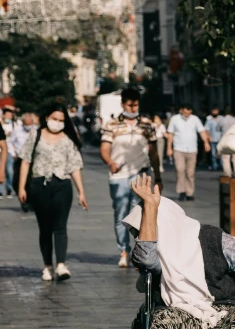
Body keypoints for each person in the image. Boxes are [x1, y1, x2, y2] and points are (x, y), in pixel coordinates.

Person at [124, 174, 235, 329]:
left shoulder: (209, 237)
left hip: (228, 307)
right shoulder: (159, 256)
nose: (139, 239)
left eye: (141, 232)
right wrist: (149, 207)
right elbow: (146, 257)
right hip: (179, 310)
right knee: (162, 327)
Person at [18, 102, 88, 282]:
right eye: (54, 119)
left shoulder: (68, 139)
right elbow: (25, 161)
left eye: (61, 120)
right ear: (47, 118)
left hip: (62, 185)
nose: (57, 123)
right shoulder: (36, 135)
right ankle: (48, 265)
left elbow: (74, 166)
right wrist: (21, 188)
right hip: (39, 185)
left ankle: (61, 265)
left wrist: (81, 192)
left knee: (60, 226)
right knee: (45, 227)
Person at [100, 88, 162, 268]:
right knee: (120, 213)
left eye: (136, 104)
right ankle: (123, 250)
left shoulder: (147, 125)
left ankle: (138, 251)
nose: (133, 108)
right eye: (129, 104)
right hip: (119, 175)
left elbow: (153, 152)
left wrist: (157, 176)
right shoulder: (111, 125)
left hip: (141, 173)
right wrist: (110, 161)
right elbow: (104, 148)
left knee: (140, 213)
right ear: (123, 104)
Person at [166, 103, 211, 201]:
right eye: (185, 112)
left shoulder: (195, 119)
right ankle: (181, 191)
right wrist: (169, 148)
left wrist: (206, 143)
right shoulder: (175, 119)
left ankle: (189, 192)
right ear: (181, 110)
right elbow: (170, 134)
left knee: (190, 172)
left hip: (192, 149)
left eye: (189, 112)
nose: (187, 114)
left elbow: (201, 131)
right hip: (179, 148)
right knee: (180, 169)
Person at [10, 113, 37, 209]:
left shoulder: (36, 131)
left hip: (32, 159)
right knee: (16, 180)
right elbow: (10, 142)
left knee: (31, 181)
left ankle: (30, 201)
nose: (28, 126)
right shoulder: (17, 131)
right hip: (19, 158)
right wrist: (13, 154)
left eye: (30, 124)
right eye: (26, 124)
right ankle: (22, 197)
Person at [0, 106, 16, 198]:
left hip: (9, 151)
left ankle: (9, 188)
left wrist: (1, 171)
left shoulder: (14, 124)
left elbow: (4, 147)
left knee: (9, 171)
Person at [205, 106, 225, 171]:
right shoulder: (209, 120)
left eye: (216, 111)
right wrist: (209, 137)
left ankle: (222, 166)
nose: (215, 112)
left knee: (221, 153)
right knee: (213, 154)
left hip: (221, 139)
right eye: (213, 111)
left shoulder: (221, 118)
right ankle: (215, 166)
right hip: (213, 139)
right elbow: (207, 130)